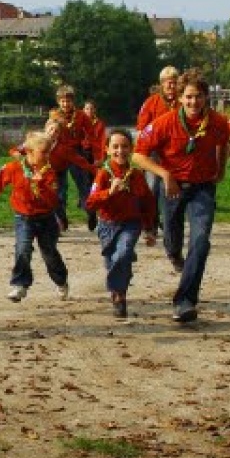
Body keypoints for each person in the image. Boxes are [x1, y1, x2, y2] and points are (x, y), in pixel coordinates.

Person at [133, 71, 230, 324]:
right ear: (180, 97)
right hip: (173, 188)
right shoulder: (165, 123)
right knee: (172, 239)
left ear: (206, 98)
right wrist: (164, 174)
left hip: (202, 188)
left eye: (198, 97)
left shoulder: (218, 122)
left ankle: (185, 301)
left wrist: (219, 171)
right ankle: (174, 254)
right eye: (188, 97)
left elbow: (223, 144)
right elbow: (138, 155)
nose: (193, 102)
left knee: (200, 241)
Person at [0, 130, 70, 303]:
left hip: (46, 218)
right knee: (22, 249)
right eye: (43, 152)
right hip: (24, 217)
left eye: (48, 152)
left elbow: (53, 200)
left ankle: (61, 281)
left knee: (49, 253)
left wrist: (41, 184)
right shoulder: (13, 168)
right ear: (29, 152)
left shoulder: (49, 172)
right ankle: (20, 285)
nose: (46, 156)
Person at [85, 128, 156, 318]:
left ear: (131, 149)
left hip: (131, 223)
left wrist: (149, 228)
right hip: (107, 225)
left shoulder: (137, 175)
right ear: (107, 149)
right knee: (113, 262)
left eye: (124, 146)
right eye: (115, 147)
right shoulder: (103, 174)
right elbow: (90, 202)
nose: (120, 151)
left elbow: (148, 202)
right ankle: (118, 289)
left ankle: (119, 297)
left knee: (122, 254)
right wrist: (108, 192)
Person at [137, 67, 182, 242]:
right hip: (154, 152)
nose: (171, 84)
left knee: (172, 190)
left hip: (175, 153)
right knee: (152, 188)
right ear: (162, 84)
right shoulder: (151, 103)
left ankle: (170, 225)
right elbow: (141, 128)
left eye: (174, 81)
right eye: (167, 81)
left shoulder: (182, 102)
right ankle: (150, 226)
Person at [48, 85, 94, 230]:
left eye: (68, 101)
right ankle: (61, 217)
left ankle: (91, 212)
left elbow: (92, 134)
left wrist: (90, 149)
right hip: (59, 154)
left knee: (84, 186)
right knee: (58, 189)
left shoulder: (81, 115)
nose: (65, 104)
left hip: (76, 152)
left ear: (73, 101)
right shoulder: (54, 116)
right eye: (62, 101)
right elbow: (48, 132)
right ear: (58, 102)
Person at [81, 100, 107, 230]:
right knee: (84, 183)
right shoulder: (79, 122)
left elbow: (102, 141)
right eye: (87, 109)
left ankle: (93, 209)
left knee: (94, 183)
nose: (89, 111)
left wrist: (101, 157)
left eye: (91, 109)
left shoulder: (99, 124)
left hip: (95, 155)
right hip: (82, 154)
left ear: (95, 110)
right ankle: (88, 209)